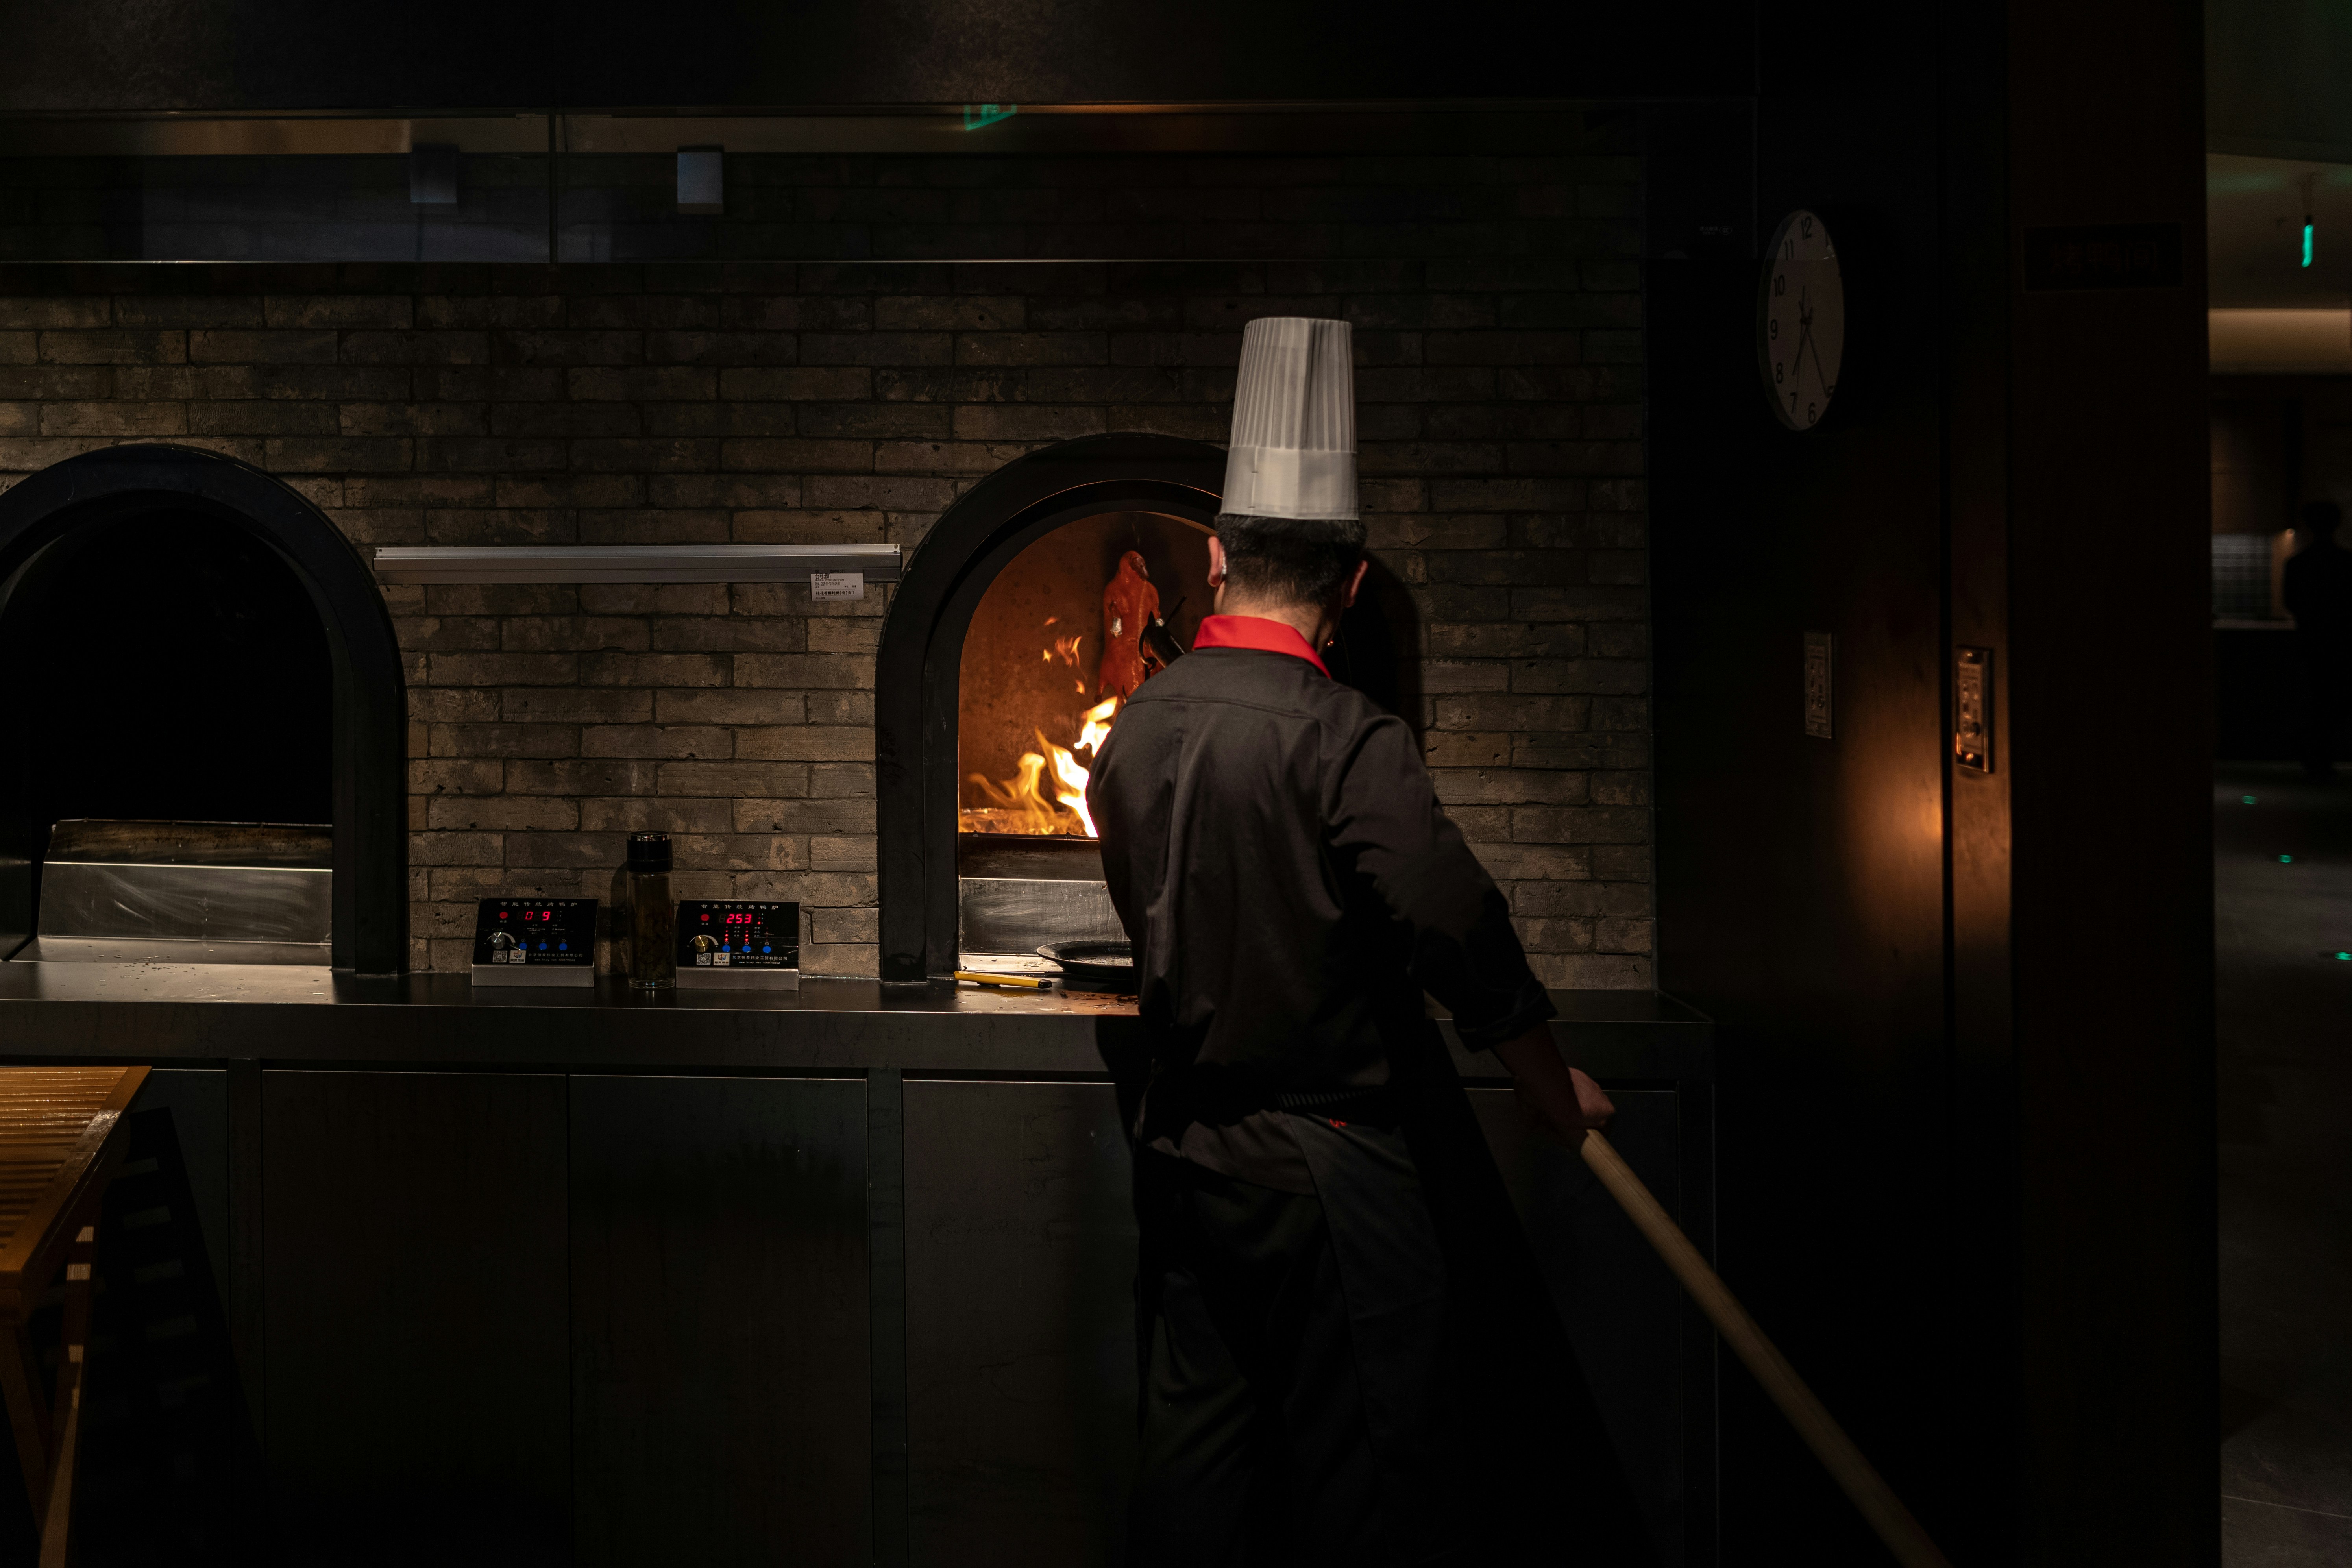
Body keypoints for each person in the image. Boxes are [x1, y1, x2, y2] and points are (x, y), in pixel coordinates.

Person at [1086, 317, 1621, 1566]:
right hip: (1334, 1167)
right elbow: (1457, 925)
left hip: (1188, 1155)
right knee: (1366, 1486)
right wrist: (1549, 1084)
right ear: (1356, 582)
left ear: (1215, 558)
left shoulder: (1136, 730)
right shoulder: (1348, 741)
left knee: (1199, 1469)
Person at [2283, 499, 2352, 780]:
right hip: (2341, 642)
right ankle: (2319, 754)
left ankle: (2314, 754)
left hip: (2311, 641)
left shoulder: (2298, 563)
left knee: (2317, 699)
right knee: (2335, 700)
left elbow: (2291, 602)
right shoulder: (2346, 562)